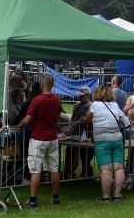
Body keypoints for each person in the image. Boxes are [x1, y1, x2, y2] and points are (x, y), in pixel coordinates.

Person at [18, 74, 65, 208]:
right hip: (52, 138)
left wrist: (20, 125)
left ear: (41, 84)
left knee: (35, 169)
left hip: (38, 138)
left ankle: (33, 200)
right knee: (54, 169)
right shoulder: (57, 100)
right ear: (52, 85)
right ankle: (56, 197)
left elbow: (27, 120)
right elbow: (58, 115)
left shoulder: (37, 100)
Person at [85, 86, 130, 201]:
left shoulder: (94, 105)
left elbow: (88, 118)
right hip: (117, 139)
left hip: (102, 140)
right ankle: (117, 195)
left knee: (106, 169)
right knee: (118, 168)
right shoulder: (115, 105)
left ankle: (106, 197)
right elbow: (126, 122)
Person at [63, 86, 94, 179]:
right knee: (70, 151)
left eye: (82, 96)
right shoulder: (77, 105)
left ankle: (79, 173)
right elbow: (73, 119)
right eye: (79, 95)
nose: (79, 97)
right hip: (74, 134)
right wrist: (70, 130)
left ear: (88, 95)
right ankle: (68, 172)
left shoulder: (91, 106)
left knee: (81, 155)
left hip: (84, 135)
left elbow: (85, 121)